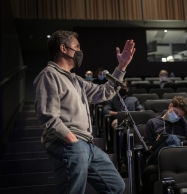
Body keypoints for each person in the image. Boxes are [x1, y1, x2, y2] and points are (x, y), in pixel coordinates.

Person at [34, 30, 135, 194]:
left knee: (116, 186)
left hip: (87, 144)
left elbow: (104, 92)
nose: (80, 52)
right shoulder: (49, 76)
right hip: (68, 143)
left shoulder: (76, 80)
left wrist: (121, 67)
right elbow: (48, 116)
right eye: (77, 47)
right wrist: (71, 139)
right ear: (63, 48)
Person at [142, 96, 187, 194]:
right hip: (156, 156)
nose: (177, 117)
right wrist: (160, 143)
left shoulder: (181, 121)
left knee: (174, 139)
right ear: (170, 106)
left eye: (180, 116)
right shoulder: (152, 123)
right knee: (171, 138)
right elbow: (148, 148)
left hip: (177, 155)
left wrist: (181, 143)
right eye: (176, 113)